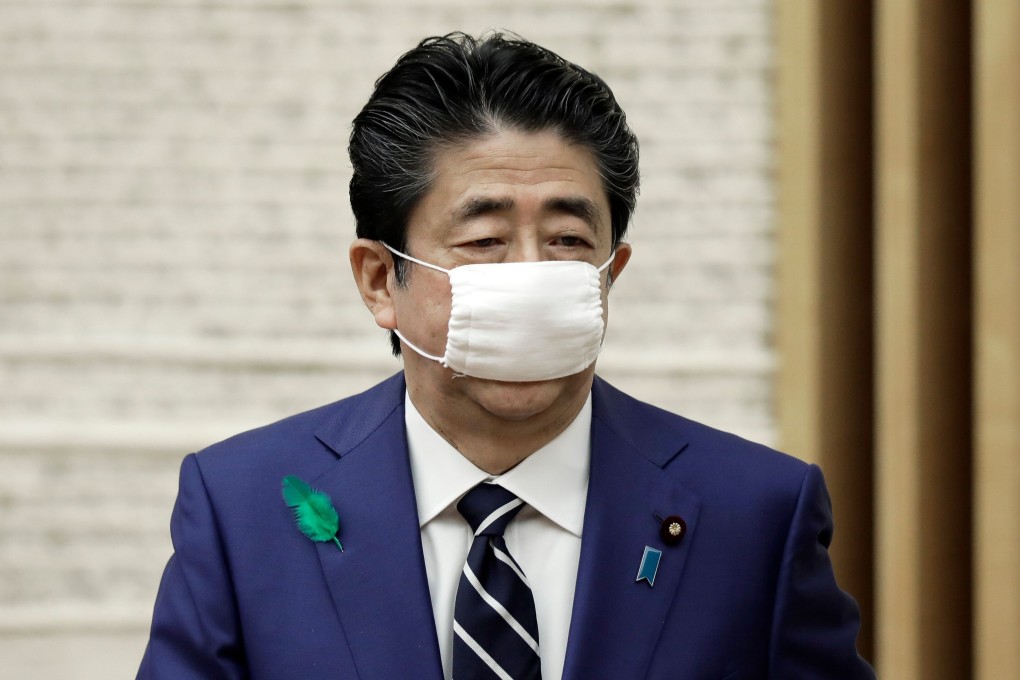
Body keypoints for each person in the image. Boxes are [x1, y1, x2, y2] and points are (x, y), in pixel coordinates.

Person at [138, 32, 875, 679]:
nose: (530, 274)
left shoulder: (754, 516)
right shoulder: (243, 510)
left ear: (608, 277)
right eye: (484, 242)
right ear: (378, 281)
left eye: (567, 242)